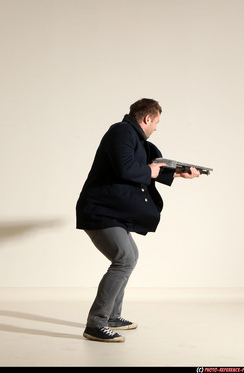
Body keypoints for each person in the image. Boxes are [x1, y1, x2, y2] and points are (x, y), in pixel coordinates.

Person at [75, 98, 200, 343]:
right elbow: (127, 168)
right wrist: (152, 171)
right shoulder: (121, 132)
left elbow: (146, 165)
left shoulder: (135, 139)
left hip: (112, 210)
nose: (156, 128)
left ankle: (111, 316)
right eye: (156, 123)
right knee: (125, 258)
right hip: (99, 210)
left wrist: (177, 172)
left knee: (129, 255)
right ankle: (96, 323)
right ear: (147, 119)